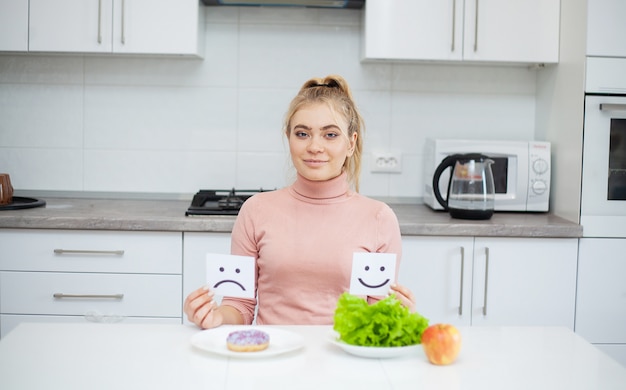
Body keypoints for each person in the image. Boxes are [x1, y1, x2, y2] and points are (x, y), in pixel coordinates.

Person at [184, 75, 416, 329]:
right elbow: (240, 305)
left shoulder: (379, 218)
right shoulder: (255, 211)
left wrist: (394, 315)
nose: (314, 146)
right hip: (271, 354)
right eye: (303, 133)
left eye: (330, 134)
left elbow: (376, 312)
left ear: (351, 143)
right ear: (289, 138)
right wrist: (215, 317)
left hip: (344, 360)